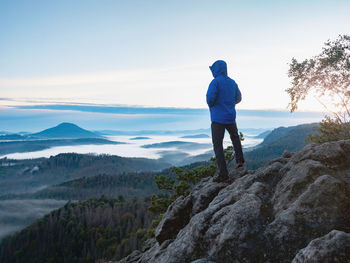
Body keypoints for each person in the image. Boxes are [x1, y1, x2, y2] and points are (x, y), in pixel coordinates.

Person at [206, 60, 245, 183]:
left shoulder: (215, 82)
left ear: (216, 70)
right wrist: (229, 104)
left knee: (218, 145)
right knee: (235, 137)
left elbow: (210, 99)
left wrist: (215, 105)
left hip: (218, 119)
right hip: (230, 116)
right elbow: (238, 98)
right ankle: (240, 161)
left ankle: (224, 174)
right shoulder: (232, 82)